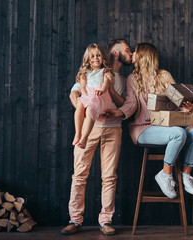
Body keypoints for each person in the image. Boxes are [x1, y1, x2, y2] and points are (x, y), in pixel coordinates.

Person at [106, 43, 193, 199]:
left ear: (145, 55)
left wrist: (188, 108)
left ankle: (185, 175)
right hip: (144, 128)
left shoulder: (164, 75)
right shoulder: (133, 79)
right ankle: (165, 175)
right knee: (178, 133)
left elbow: (176, 100)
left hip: (169, 124)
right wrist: (118, 112)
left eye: (136, 52)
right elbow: (131, 104)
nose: (132, 54)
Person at [61, 39, 132, 236]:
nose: (96, 58)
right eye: (127, 50)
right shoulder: (88, 74)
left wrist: (108, 92)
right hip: (89, 129)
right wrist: (87, 106)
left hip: (112, 130)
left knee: (109, 176)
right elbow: (74, 94)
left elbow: (124, 103)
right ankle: (75, 220)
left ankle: (106, 220)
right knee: (79, 175)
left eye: (98, 55)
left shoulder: (120, 79)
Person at [72, 43, 113, 149]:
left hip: (99, 96)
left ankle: (84, 138)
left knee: (90, 110)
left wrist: (101, 90)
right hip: (88, 95)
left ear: (102, 57)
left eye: (98, 55)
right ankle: (78, 133)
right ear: (88, 58)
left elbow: (106, 84)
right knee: (80, 105)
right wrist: (85, 97)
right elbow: (82, 87)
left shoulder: (105, 71)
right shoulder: (85, 72)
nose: (96, 58)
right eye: (93, 56)